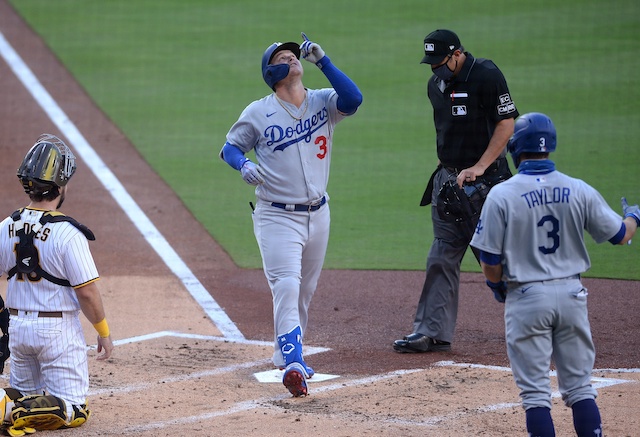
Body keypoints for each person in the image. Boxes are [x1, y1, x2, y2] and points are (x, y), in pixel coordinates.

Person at [470, 112, 639, 437]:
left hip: (527, 298)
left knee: (535, 396)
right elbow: (621, 235)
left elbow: (489, 259)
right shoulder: (579, 189)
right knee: (579, 389)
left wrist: (497, 285)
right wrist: (633, 216)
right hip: (572, 297)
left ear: (516, 148)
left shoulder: (502, 194)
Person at [219, 33, 362, 397]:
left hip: (319, 213)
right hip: (276, 216)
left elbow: (354, 99)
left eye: (295, 55)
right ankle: (295, 360)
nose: (294, 58)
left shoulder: (322, 102)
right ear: (273, 73)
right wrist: (244, 164)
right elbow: (229, 148)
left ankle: (284, 354)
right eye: (285, 57)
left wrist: (324, 61)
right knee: (286, 283)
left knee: (304, 291)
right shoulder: (258, 111)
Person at [393, 29, 519, 353]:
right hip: (450, 186)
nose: (435, 68)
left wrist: (478, 166)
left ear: (457, 54)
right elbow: (448, 129)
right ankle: (431, 331)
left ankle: (537, 326)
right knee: (442, 255)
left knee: (501, 257)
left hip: (488, 185)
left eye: (440, 61)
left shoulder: (487, 76)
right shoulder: (435, 85)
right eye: (431, 62)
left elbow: (507, 123)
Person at [0, 134, 114, 435]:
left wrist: (3, 316)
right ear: (60, 185)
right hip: (56, 333)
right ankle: (5, 407)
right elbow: (87, 292)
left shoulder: (6, 226)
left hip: (18, 330)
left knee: (28, 400)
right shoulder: (68, 234)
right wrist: (103, 332)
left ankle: (9, 406)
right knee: (74, 410)